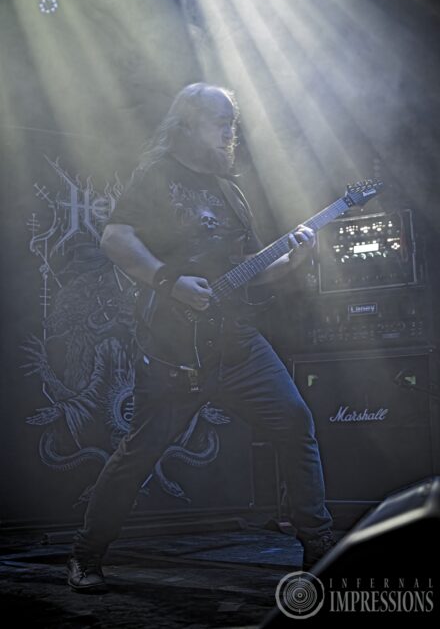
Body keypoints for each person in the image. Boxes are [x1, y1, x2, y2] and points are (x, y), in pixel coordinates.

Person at [67, 82, 335, 592]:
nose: (230, 133)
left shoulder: (230, 191)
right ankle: (86, 554)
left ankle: (318, 545)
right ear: (187, 122)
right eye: (220, 122)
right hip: (175, 351)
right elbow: (115, 237)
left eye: (232, 123)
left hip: (237, 345)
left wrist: (295, 259)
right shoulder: (156, 177)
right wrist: (169, 282)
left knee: (295, 421)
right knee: (138, 455)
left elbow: (250, 270)